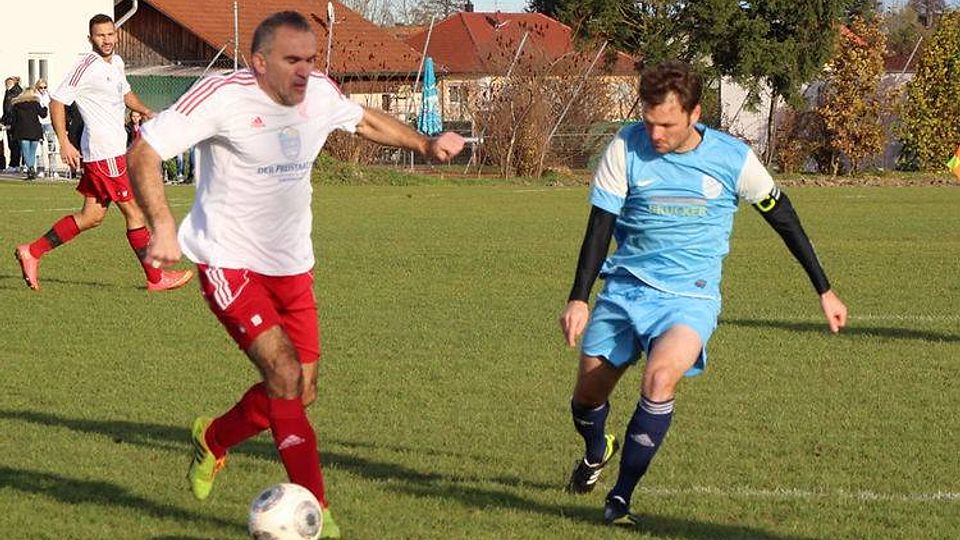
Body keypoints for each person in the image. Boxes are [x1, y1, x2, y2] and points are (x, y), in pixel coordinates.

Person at [127, 11, 464, 539]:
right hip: (227, 260)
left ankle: (213, 438)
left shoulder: (319, 93)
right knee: (283, 374)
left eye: (310, 59)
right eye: (292, 60)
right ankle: (317, 513)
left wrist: (425, 144)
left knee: (302, 390)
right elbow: (144, 151)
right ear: (259, 63)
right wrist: (163, 224)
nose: (305, 71)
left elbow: (366, 120)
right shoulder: (222, 95)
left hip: (292, 266)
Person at [558, 61, 847, 525]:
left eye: (667, 124)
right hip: (625, 291)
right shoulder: (625, 146)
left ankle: (620, 499)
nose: (655, 133)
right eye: (650, 122)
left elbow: (784, 218)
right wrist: (578, 298)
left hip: (689, 299)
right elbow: (600, 225)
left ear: (694, 114)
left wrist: (824, 290)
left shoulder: (733, 159)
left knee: (659, 380)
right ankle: (597, 449)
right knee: (587, 399)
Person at [13, 14, 192, 292]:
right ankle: (156, 278)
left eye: (110, 34)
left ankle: (32, 251)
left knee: (91, 217)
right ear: (90, 39)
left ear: (116, 35)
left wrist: (144, 110)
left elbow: (125, 95)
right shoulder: (85, 66)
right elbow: (59, 102)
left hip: (114, 152)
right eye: (100, 35)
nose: (106, 40)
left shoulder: (117, 63)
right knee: (135, 214)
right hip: (103, 153)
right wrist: (64, 142)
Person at [8, 85, 47, 180]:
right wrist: (45, 107)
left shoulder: (17, 105)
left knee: (25, 152)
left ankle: (30, 169)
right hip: (35, 130)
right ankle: (31, 169)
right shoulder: (35, 104)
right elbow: (43, 115)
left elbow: (14, 120)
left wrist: (12, 130)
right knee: (32, 152)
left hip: (22, 130)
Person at [35, 79, 57, 176]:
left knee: (52, 145)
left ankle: (53, 169)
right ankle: (41, 169)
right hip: (38, 123)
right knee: (39, 147)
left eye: (45, 87)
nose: (43, 89)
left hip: (48, 122)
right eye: (41, 87)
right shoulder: (35, 97)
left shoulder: (49, 96)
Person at [3, 76, 24, 171]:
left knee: (15, 144)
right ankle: (15, 164)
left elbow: (12, 110)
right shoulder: (8, 92)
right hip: (9, 121)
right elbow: (6, 110)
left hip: (14, 122)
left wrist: (10, 122)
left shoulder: (15, 92)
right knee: (12, 144)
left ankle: (15, 164)